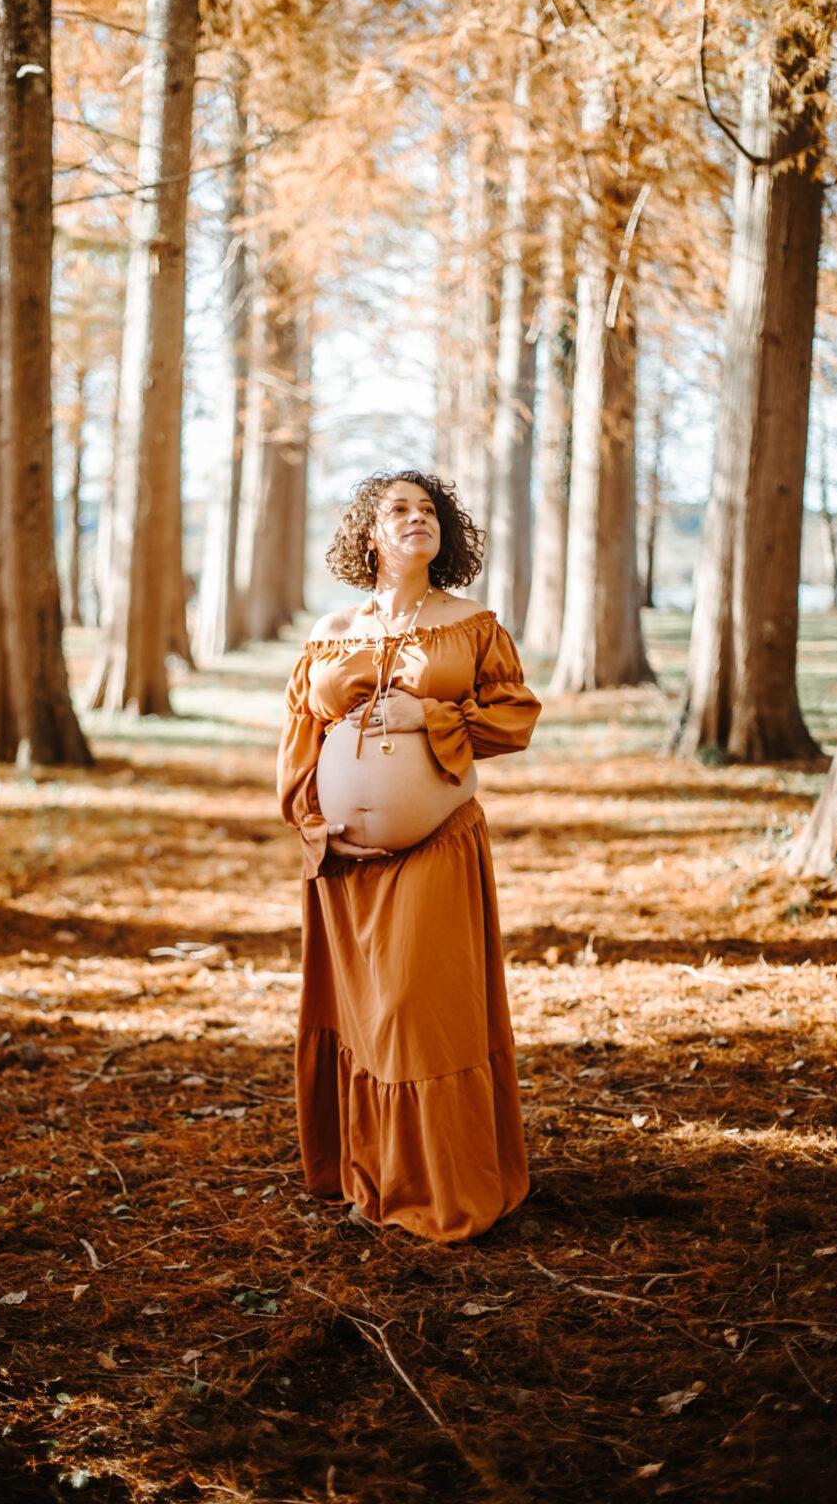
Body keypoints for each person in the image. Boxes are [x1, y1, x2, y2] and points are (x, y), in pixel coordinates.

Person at [276, 469, 542, 1243]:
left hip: (435, 847)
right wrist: (311, 824)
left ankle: (442, 1182)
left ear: (442, 534)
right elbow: (298, 733)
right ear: (371, 533)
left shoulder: (469, 623)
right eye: (398, 509)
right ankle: (372, 1174)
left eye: (428, 510)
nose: (415, 518)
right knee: (364, 1017)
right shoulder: (330, 629)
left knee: (416, 1014)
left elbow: (512, 716)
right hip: (345, 863)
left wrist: (429, 715)